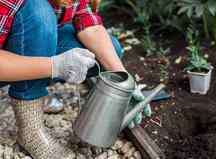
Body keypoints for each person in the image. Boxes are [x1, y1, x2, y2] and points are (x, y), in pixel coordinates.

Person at [0, 0, 151, 158]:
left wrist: (124, 81)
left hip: (19, 40)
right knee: (39, 11)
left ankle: (36, 92)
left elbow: (87, 21)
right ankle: (31, 131)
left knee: (110, 50)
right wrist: (55, 65)